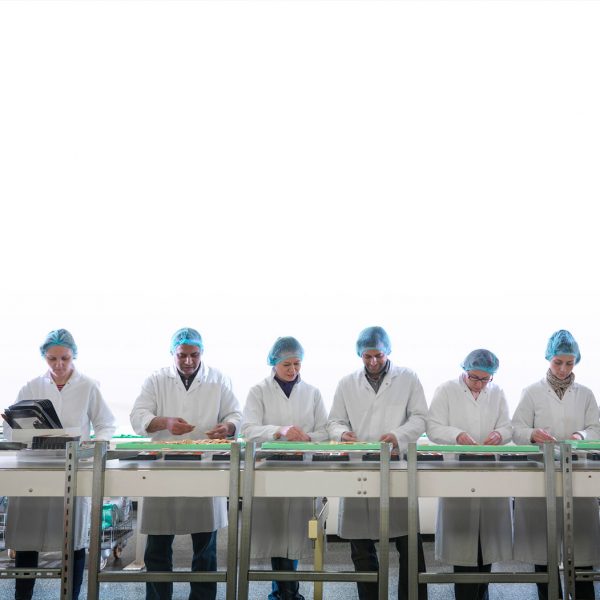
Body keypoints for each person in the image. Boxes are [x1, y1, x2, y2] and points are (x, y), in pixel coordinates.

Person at [130, 327, 242, 600]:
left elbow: (236, 414)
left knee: (205, 548)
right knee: (157, 545)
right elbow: (138, 416)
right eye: (182, 355)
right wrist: (164, 422)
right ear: (172, 353)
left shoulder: (218, 379)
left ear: (202, 352)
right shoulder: (157, 379)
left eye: (194, 354)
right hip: (163, 468)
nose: (189, 361)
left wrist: (227, 427)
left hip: (205, 468)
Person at [4, 329, 116, 600]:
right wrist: (24, 432)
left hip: (72, 468)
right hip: (34, 469)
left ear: (73, 355)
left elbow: (105, 424)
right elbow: (10, 429)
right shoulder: (31, 386)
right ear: (44, 357)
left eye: (64, 358)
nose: (58, 365)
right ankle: (22, 595)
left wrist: (96, 443)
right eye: (52, 359)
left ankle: (71, 596)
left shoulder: (88, 386)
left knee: (73, 539)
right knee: (27, 538)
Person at [326, 326, 428, 600]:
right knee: (361, 545)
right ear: (359, 354)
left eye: (378, 356)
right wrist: (342, 434)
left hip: (395, 465)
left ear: (388, 351)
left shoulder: (407, 378)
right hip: (359, 465)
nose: (373, 362)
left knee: (409, 540)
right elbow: (334, 420)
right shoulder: (347, 383)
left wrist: (398, 435)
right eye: (367, 356)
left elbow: (420, 417)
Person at [512, 329, 600, 600]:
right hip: (542, 474)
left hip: (577, 474)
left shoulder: (585, 394)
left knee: (581, 548)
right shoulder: (532, 392)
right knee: (544, 547)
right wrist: (532, 434)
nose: (563, 369)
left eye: (569, 363)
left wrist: (580, 436)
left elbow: (596, 428)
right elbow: (516, 429)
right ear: (548, 358)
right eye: (558, 362)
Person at [241, 336, 328, 600]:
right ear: (274, 363)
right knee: (277, 535)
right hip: (270, 469)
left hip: (302, 469)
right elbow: (248, 430)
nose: (292, 370)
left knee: (295, 536)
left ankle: (287, 593)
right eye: (286, 364)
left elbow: (325, 432)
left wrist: (307, 438)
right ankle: (284, 593)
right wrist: (279, 431)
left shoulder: (312, 393)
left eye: (297, 364)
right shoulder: (258, 391)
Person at [427, 349, 513, 600]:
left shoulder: (497, 392)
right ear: (464, 370)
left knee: (487, 545)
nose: (479, 384)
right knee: (463, 547)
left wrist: (500, 434)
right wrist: (457, 435)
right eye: (474, 378)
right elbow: (433, 428)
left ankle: (482, 594)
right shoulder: (446, 390)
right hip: (459, 472)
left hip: (489, 472)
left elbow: (508, 426)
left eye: (485, 379)